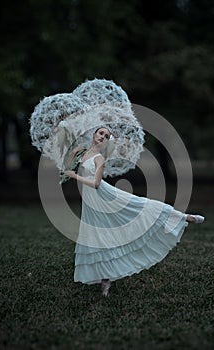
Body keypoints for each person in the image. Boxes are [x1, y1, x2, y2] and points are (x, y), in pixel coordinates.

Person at [65, 127, 204, 297]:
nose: (102, 137)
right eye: (101, 133)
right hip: (90, 202)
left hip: (105, 196)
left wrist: (74, 176)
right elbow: (67, 169)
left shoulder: (99, 158)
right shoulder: (82, 151)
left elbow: (96, 183)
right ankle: (106, 279)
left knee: (144, 206)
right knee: (98, 236)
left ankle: (184, 217)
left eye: (106, 136)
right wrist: (72, 156)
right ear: (94, 134)